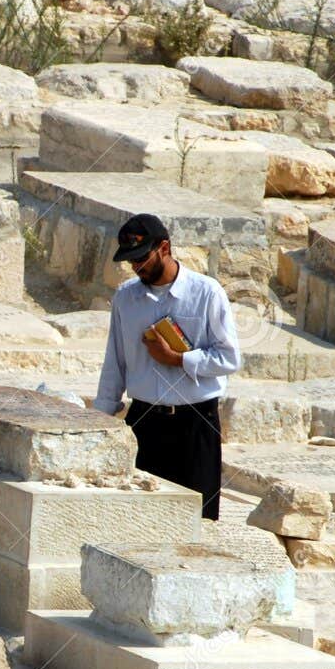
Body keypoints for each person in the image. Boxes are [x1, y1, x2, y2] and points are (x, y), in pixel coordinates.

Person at [92, 213, 242, 521]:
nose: (137, 267)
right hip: (145, 421)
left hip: (196, 423)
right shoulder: (125, 298)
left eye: (141, 258)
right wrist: (98, 421)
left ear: (163, 247)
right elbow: (115, 362)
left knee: (196, 522)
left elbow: (229, 358)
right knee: (140, 522)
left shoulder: (206, 293)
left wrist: (179, 359)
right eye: (131, 261)